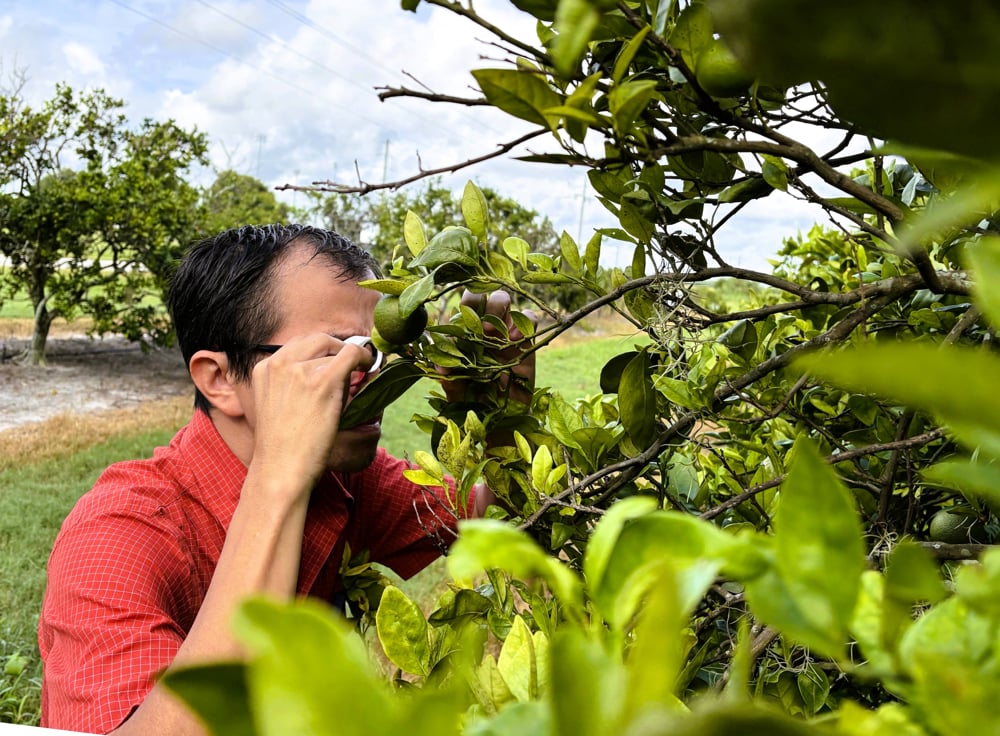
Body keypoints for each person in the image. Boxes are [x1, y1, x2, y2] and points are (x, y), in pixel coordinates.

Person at [37, 224, 534, 735]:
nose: (376, 383)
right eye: (336, 354)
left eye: (378, 353)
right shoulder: (115, 537)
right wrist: (279, 479)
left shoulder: (344, 481)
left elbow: (502, 516)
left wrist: (502, 417)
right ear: (219, 379)